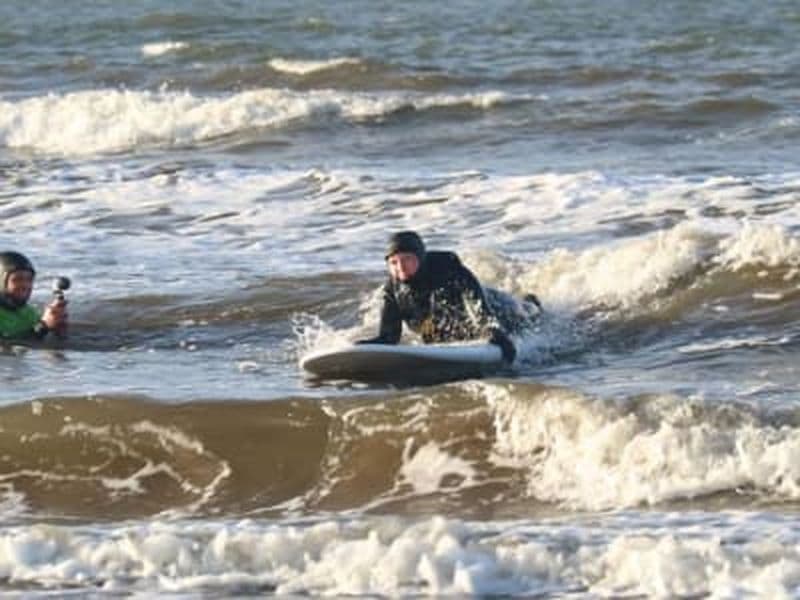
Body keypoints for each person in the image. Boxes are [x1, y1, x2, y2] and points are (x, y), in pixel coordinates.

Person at [358, 231, 540, 363]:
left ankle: (530, 303)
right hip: (454, 325)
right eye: (393, 262)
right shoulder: (393, 291)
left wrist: (491, 329)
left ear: (420, 258)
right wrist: (364, 349)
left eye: (407, 259)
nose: (400, 267)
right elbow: (389, 336)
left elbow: (474, 299)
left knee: (527, 316)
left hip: (497, 305)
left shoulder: (446, 269)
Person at [0, 251, 68, 341]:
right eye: (17, 279)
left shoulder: (29, 312)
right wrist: (44, 326)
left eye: (29, 279)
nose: (26, 285)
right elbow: (6, 345)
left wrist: (57, 328)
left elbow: (36, 336)